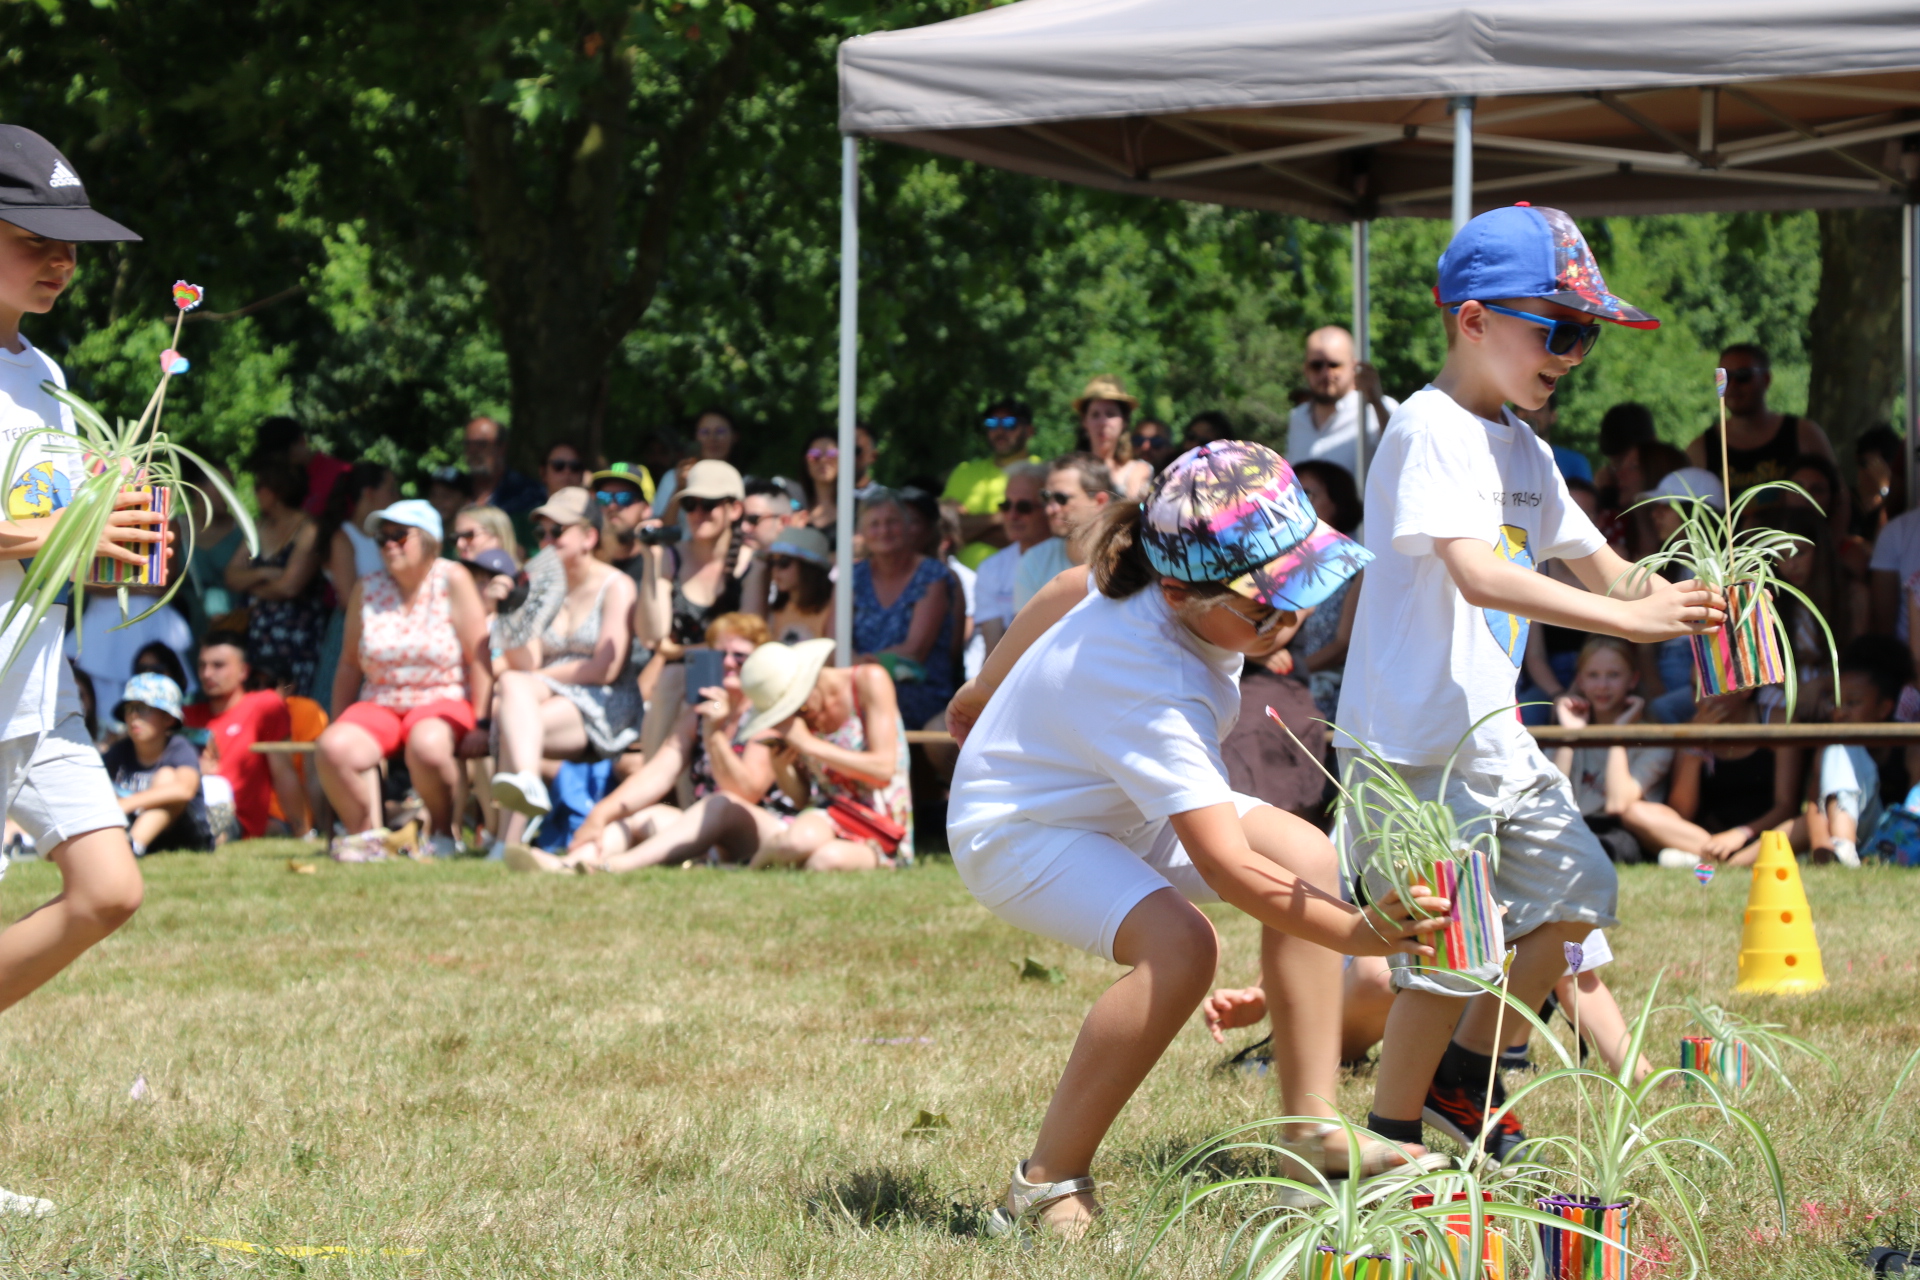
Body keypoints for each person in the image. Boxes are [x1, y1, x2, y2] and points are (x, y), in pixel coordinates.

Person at [944, 441, 1443, 1238]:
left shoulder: (1142, 578)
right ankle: (1043, 1186)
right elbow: (1227, 864)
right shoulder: (1155, 683)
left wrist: (980, 689)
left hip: (1106, 800)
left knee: (1306, 853)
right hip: (1019, 827)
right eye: (1265, 606)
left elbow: (1068, 589)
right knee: (1181, 948)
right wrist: (1355, 932)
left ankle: (1310, 1134)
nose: (1288, 618)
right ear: (1177, 592)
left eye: (1300, 589)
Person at [1336, 204, 1723, 1165]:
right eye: (1560, 330)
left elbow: (1609, 571)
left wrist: (1687, 596)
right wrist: (1627, 620)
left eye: (1586, 336)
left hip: (1491, 734)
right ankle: (1393, 1140)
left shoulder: (1527, 448)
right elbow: (1478, 573)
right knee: (1450, 954)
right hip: (1414, 746)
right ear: (1473, 321)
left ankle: (1466, 1077)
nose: (1574, 355)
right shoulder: (1428, 429)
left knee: (1581, 889)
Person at [0, 133, 155, 1216]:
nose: (60, 260)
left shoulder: (45, 375)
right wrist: (52, 530)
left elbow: (47, 537)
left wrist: (113, 539)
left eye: (71, 245)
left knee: (110, 889)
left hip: (34, 690)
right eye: (34, 240)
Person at [593, 638, 914, 872]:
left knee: (823, 861)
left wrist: (808, 745)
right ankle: (751, 870)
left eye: (796, 707)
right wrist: (784, 768)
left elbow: (884, 769)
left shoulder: (867, 680)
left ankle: (749, 868)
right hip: (826, 817)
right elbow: (804, 799)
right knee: (798, 844)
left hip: (882, 823)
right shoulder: (796, 719)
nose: (799, 715)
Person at [510, 613, 774, 872]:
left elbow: (746, 792)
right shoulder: (700, 714)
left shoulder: (766, 714)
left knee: (720, 803)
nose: (728, 662)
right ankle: (567, 865)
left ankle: (613, 867)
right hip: (709, 828)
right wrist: (601, 813)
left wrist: (714, 735)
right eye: (720, 654)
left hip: (762, 832)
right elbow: (658, 773)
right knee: (645, 817)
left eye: (740, 656)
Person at [316, 500, 493, 860]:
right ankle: (366, 837)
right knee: (332, 746)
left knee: (426, 743)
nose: (389, 545)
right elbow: (349, 664)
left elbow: (479, 655)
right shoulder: (368, 587)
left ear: (428, 539)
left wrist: (481, 722)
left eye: (399, 536)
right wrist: (339, 720)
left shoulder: (452, 578)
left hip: (442, 698)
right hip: (380, 701)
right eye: (382, 539)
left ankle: (443, 832)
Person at [490, 488, 641, 834]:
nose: (546, 540)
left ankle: (506, 838)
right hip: (550, 694)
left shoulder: (616, 585)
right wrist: (509, 612)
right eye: (541, 532)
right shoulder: (539, 586)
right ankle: (526, 788)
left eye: (557, 531)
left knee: (515, 719)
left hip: (603, 701)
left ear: (589, 537)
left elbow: (605, 669)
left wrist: (541, 679)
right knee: (512, 690)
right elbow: (525, 664)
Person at [1548, 637, 1672, 864]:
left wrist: (1618, 733)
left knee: (1598, 850)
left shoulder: (1654, 741)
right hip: (1572, 825)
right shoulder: (1568, 732)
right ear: (1580, 681)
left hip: (1620, 832)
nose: (1602, 685)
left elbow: (1617, 804)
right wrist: (1570, 735)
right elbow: (1551, 800)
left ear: (1633, 680)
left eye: (1613, 675)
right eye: (1593, 675)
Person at [1792, 634, 1911, 867]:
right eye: (1835, 702)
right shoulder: (1831, 748)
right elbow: (1816, 806)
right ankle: (1842, 847)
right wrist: (1821, 848)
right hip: (1846, 836)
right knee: (1839, 747)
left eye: (1852, 703)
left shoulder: (1909, 748)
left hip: (1894, 838)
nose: (1841, 712)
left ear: (1884, 708)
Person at [1686, 343, 1841, 516]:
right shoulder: (1700, 448)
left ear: (1766, 379)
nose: (1733, 384)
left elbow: (1839, 497)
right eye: (1723, 376)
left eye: (1743, 376)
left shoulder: (1804, 433)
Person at [1658, 685, 1804, 868]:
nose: (1701, 699)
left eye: (1711, 687)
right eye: (1695, 688)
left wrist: (1740, 834)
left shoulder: (1777, 723)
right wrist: (1695, 747)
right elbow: (1682, 813)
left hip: (1762, 835)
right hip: (1705, 837)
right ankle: (1719, 855)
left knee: (1803, 824)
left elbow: (1786, 806)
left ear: (1745, 689)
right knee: (1637, 811)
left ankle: (1724, 860)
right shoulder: (1691, 728)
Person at [182, 636, 306, 838]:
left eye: (218, 665)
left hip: (235, 821)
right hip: (186, 808)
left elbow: (283, 772)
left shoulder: (264, 706)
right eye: (202, 665)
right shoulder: (186, 716)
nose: (207, 673)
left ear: (243, 671)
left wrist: (303, 832)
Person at [851, 490, 954, 729]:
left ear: (908, 527)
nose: (884, 530)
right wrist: (862, 668)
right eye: (874, 524)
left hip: (919, 690)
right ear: (862, 533)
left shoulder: (931, 575)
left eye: (892, 522)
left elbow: (914, 650)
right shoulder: (852, 577)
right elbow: (835, 641)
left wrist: (864, 666)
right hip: (857, 682)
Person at [225, 451, 327, 693]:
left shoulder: (309, 528)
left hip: (295, 637)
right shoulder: (258, 527)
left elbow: (289, 586)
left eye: (259, 487)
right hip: (254, 634)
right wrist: (265, 573)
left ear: (276, 490)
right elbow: (230, 576)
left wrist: (250, 586)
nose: (255, 493)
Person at [307, 462, 399, 704]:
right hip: (351, 631)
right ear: (369, 493)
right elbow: (349, 598)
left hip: (385, 629)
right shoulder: (343, 538)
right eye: (391, 489)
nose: (396, 496)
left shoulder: (384, 537)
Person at [637, 460, 749, 657]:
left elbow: (750, 638)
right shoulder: (670, 558)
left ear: (735, 509)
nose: (698, 513)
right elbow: (651, 637)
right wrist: (650, 561)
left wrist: (677, 651)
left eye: (708, 504)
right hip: (675, 673)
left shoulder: (753, 563)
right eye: (689, 504)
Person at [1288, 460, 1366, 720]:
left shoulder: (1357, 564)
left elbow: (1343, 645)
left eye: (1307, 494)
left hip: (1333, 699)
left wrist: (1288, 672)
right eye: (1291, 494)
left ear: (1338, 502)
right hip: (1289, 688)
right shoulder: (1284, 564)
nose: (1296, 503)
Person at [103, 674, 209, 856]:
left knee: (166, 776)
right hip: (140, 831)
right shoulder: (119, 751)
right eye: (129, 709)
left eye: (143, 708)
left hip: (183, 835)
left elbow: (184, 789)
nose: (134, 716)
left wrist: (127, 804)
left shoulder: (179, 748)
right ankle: (128, 846)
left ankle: (132, 847)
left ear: (168, 718)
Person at [1286, 326, 1397, 481]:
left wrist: (1377, 403)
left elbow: (1400, 454)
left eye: (1334, 365)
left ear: (1354, 367)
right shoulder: (1297, 417)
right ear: (1306, 368)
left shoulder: (1377, 409)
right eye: (1316, 365)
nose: (1325, 374)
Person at [1011, 454, 1117, 613]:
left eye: (1061, 498)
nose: (1050, 509)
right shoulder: (1035, 561)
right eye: (1046, 497)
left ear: (1099, 501)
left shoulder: (1127, 558)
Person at [942, 398, 1040, 569]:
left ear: (1029, 430)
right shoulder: (964, 471)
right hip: (962, 580)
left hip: (1023, 580)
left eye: (1009, 423)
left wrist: (968, 527)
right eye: (992, 423)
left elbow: (1033, 537)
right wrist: (998, 519)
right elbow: (945, 528)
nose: (999, 430)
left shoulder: (1041, 472)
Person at [971, 463, 1050, 657]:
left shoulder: (1072, 559)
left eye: (1024, 507)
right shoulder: (991, 568)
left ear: (1048, 508)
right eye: (1006, 506)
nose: (1012, 516)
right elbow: (993, 649)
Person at [176, 458, 245, 640]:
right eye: (221, 487)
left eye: (231, 487)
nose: (228, 494)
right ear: (197, 489)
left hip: (234, 629)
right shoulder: (175, 529)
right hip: (184, 630)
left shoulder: (244, 531)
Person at [1073, 376, 1153, 500]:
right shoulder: (1070, 469)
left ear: (1124, 421)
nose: (1103, 422)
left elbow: (1133, 509)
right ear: (1084, 421)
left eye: (1110, 414)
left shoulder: (1138, 470)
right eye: (1095, 415)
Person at [654, 408, 738, 515]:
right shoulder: (673, 478)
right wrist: (680, 488)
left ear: (735, 436)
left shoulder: (745, 482)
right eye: (705, 432)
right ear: (695, 437)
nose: (712, 438)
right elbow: (662, 524)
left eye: (720, 431)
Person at [760, 527, 834, 643]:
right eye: (771, 563)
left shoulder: (832, 610)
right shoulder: (777, 611)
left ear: (808, 568)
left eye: (784, 562)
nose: (775, 569)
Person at [588, 462, 656, 587]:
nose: (612, 506)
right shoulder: (586, 562)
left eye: (624, 498)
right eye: (604, 497)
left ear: (646, 508)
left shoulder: (659, 565)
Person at [463, 416, 544, 516]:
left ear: (501, 448)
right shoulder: (454, 490)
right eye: (468, 444)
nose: (473, 450)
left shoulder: (528, 494)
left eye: (481, 444)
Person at [1514, 391, 1593, 483]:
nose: (1530, 414)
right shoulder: (1501, 456)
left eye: (1538, 409)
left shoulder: (1575, 463)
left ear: (1553, 416)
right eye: (1523, 408)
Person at [278, 421, 352, 519]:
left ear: (302, 440)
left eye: (286, 451)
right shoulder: (287, 485)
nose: (284, 459)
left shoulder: (341, 472)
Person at [797, 433, 841, 542]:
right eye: (815, 455)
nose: (823, 460)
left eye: (831, 454)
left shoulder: (858, 509)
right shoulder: (794, 507)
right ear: (805, 461)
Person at [452, 504, 523, 568]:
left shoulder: (526, 576)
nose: (459, 544)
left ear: (498, 537)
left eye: (468, 535)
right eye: (455, 538)